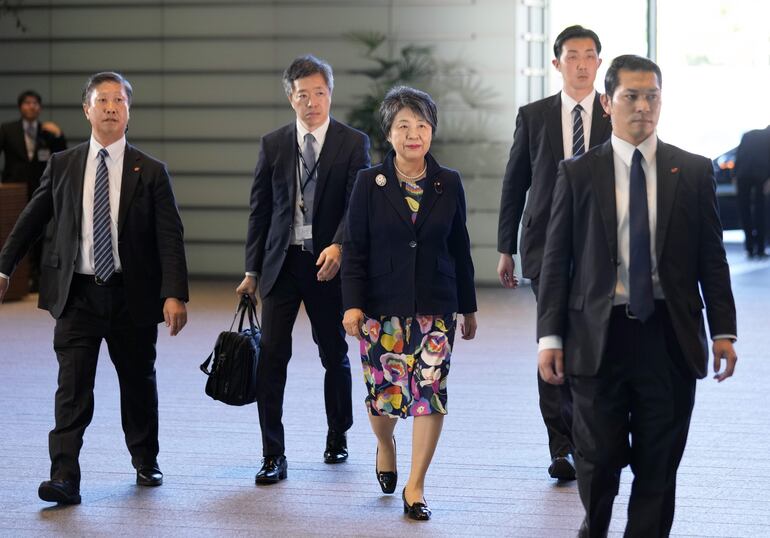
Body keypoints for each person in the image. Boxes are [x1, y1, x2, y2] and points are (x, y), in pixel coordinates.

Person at [537, 55, 738, 537]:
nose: (643, 106)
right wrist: (549, 337)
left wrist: (724, 331)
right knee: (599, 455)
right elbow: (556, 260)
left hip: (668, 335)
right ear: (608, 103)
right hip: (597, 336)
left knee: (659, 460)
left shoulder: (690, 171)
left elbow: (712, 256)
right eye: (631, 96)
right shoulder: (578, 172)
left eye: (652, 96)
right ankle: (595, 528)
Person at [0, 72, 189, 505]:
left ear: (128, 112)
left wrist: (174, 292)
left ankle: (145, 459)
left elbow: (170, 237)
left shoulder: (151, 171)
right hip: (77, 294)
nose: (110, 107)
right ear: (86, 110)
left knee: (138, 384)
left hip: (132, 296)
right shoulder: (63, 164)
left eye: (118, 101)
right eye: (101, 100)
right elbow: (32, 219)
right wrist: (4, 267)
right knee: (72, 388)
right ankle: (64, 477)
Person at [342, 86, 477, 521]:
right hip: (380, 310)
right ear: (389, 133)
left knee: (430, 395)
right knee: (385, 398)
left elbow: (460, 247)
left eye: (421, 125)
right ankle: (385, 444)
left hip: (437, 306)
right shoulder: (369, 183)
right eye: (404, 125)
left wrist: (468, 307)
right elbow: (355, 248)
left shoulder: (448, 182)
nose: (413, 133)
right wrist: (352, 305)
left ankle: (415, 486)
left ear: (432, 131)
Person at [236, 55, 370, 484]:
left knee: (334, 353)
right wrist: (251, 271)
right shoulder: (273, 144)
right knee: (272, 357)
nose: (311, 102)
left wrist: (339, 245)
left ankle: (338, 433)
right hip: (281, 263)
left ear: (330, 93)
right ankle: (272, 454)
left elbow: (357, 205)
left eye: (319, 93)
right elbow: (260, 211)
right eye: (302, 95)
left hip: (328, 263)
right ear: (290, 98)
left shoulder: (353, 143)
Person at [496, 24, 611, 480]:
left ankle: (591, 439)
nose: (581, 64)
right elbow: (515, 182)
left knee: (596, 342)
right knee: (553, 339)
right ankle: (561, 446)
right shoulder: (534, 115)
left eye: (589, 56)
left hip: (603, 248)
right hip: (546, 245)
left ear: (599, 62)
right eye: (572, 55)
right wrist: (506, 246)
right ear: (556, 62)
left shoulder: (613, 112)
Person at [0, 90, 67, 290]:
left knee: (38, 234)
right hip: (14, 189)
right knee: (16, 231)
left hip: (40, 188)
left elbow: (61, 155)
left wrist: (59, 135)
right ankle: (12, 274)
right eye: (28, 103)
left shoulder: (46, 131)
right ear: (21, 107)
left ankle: (35, 278)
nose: (32, 106)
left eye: (35, 103)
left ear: (40, 107)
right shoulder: (7, 129)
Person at [734, 125, 770, 258]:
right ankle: (760, 248)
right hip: (761, 176)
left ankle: (749, 248)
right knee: (760, 212)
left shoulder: (749, 134)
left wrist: (735, 176)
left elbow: (739, 155)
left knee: (745, 211)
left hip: (743, 175)